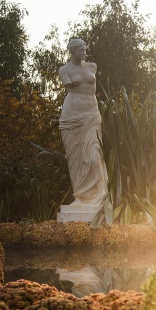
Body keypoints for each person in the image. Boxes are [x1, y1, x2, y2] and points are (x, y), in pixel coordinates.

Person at [58, 38, 108, 207]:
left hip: (91, 114)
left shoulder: (92, 66)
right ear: (72, 51)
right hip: (71, 117)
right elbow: (69, 87)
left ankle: (99, 195)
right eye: (80, 50)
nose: (84, 52)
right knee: (76, 159)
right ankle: (80, 198)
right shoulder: (64, 70)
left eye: (85, 50)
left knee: (94, 156)